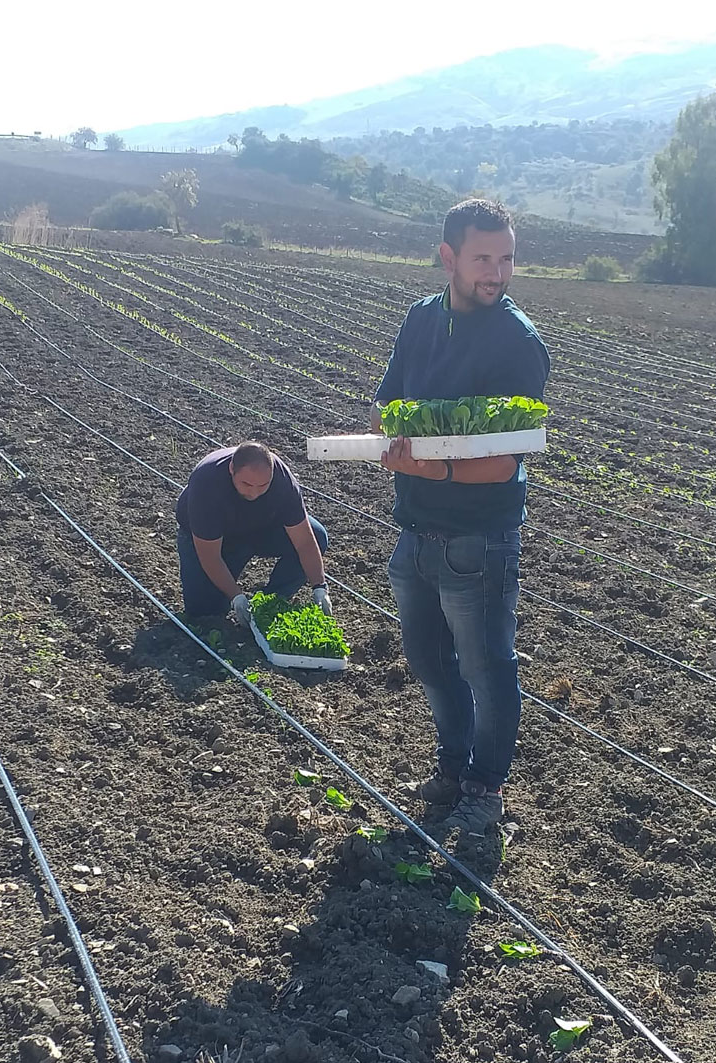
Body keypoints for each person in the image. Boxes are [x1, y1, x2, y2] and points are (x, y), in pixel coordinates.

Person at [373, 199, 550, 835]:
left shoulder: (517, 344)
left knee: (487, 664)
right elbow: (387, 404)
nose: (496, 272)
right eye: (483, 258)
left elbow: (505, 462)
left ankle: (484, 786)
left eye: (506, 259)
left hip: (479, 536)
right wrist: (393, 437)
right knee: (425, 657)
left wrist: (428, 466)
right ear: (448, 257)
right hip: (414, 528)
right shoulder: (421, 320)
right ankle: (452, 763)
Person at [176, 442, 331, 621]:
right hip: (211, 538)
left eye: (263, 485)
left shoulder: (282, 479)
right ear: (231, 469)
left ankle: (271, 603)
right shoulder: (207, 482)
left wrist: (319, 587)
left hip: (258, 529)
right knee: (204, 613)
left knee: (317, 535)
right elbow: (210, 556)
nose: (254, 493)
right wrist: (236, 596)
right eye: (247, 484)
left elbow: (304, 541)